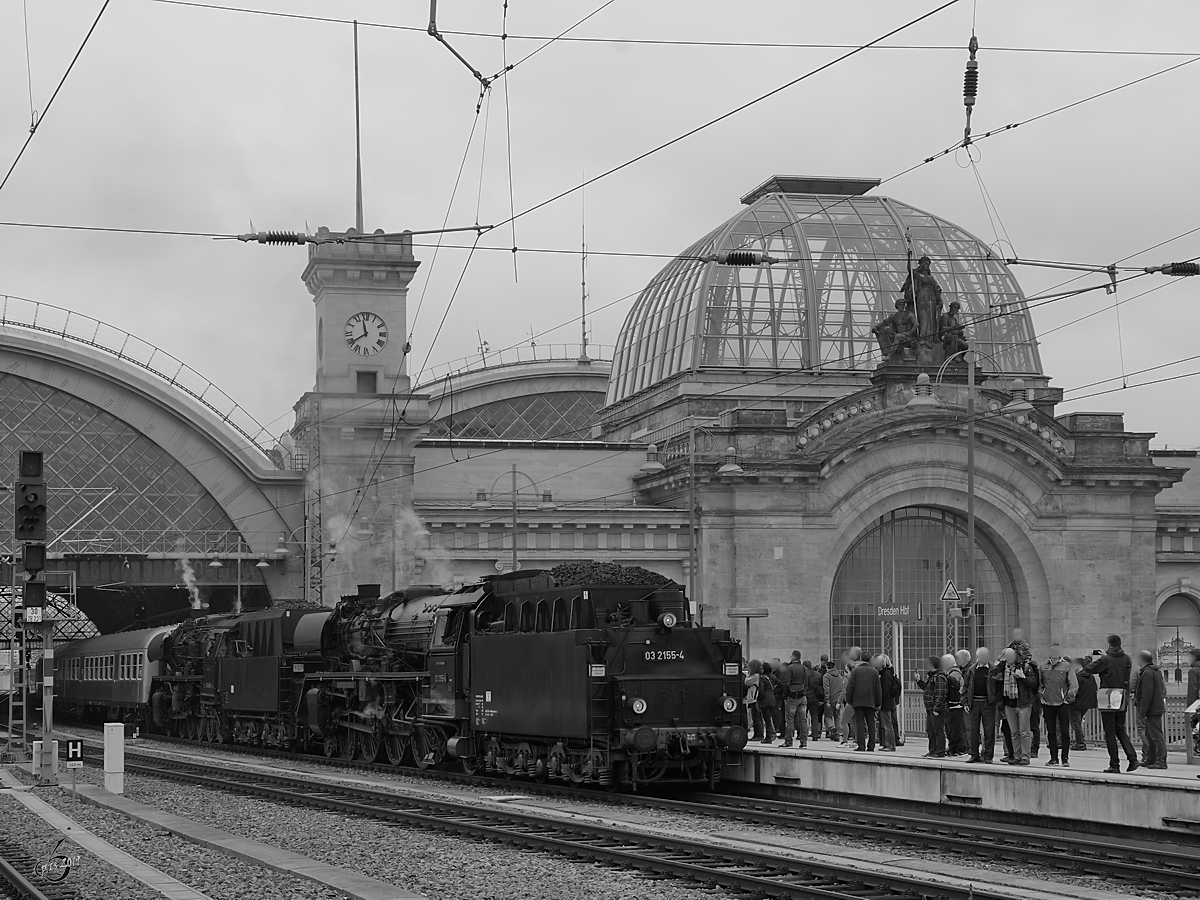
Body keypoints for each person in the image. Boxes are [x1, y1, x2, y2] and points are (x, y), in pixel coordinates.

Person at [1082, 634, 1139, 774]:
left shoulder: (1106, 659)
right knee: (1120, 729)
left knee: (1110, 732)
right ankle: (1132, 758)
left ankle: (1114, 764)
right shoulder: (1127, 658)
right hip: (1122, 696)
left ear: (1109, 645)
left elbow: (1088, 669)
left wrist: (1089, 657)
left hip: (1108, 697)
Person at [994, 647, 1035, 766]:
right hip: (1008, 703)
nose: (1010, 658)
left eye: (1012, 656)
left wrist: (1023, 677)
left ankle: (1025, 756)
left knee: (1024, 732)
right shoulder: (1002, 668)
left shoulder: (1024, 667)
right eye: (1007, 656)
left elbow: (1033, 683)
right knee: (1014, 732)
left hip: (1023, 703)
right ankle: (1017, 755)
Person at [1040, 643, 1078, 767]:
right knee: (1051, 731)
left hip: (1062, 703)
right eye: (1052, 650)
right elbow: (1040, 684)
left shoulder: (1066, 666)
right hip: (1048, 703)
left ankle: (1065, 758)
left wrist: (1068, 699)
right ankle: (1053, 758)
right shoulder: (1043, 666)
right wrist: (1042, 697)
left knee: (1064, 731)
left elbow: (1073, 684)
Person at [1134, 650, 1167, 769]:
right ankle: (1151, 759)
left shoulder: (1147, 673)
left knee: (1156, 736)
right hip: (1155, 707)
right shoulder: (1155, 671)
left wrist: (1143, 710)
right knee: (1150, 735)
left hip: (1152, 708)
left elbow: (1147, 693)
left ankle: (1161, 761)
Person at [964, 646, 997, 763]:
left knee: (989, 730)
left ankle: (988, 756)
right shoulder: (971, 670)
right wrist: (965, 702)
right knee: (974, 730)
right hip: (974, 703)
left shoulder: (993, 669)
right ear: (977, 657)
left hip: (988, 703)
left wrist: (995, 700)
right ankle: (974, 754)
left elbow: (998, 687)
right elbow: (965, 687)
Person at [845, 649, 882, 752]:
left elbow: (850, 687)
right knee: (871, 723)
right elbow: (878, 689)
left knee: (860, 723)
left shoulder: (855, 671)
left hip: (858, 701)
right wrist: (878, 703)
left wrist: (849, 700)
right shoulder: (874, 672)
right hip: (871, 701)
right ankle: (871, 745)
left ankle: (861, 745)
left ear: (861, 658)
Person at [917, 655, 948, 757]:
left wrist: (937, 709)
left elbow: (941, 693)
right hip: (930, 708)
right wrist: (919, 681)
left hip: (936, 709)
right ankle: (932, 750)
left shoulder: (940, 677)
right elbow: (927, 688)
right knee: (931, 730)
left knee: (938, 730)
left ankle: (940, 751)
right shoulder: (932, 677)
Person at [781, 651, 809, 749]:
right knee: (803, 720)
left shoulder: (790, 668)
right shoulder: (804, 668)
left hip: (792, 697)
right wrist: (804, 691)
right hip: (802, 696)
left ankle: (788, 741)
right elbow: (807, 682)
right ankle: (803, 741)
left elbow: (786, 683)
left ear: (793, 657)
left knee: (790, 720)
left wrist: (785, 695)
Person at [1069, 657, 1097, 751]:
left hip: (1076, 704)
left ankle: (1080, 742)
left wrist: (1070, 700)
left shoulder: (1077, 677)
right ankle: (1081, 739)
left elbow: (1074, 690)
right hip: (1086, 704)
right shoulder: (1090, 676)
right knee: (1078, 723)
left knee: (1076, 724)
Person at [875, 654, 901, 751]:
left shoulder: (886, 674)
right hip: (889, 701)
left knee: (887, 725)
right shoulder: (888, 673)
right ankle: (887, 744)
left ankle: (890, 745)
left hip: (886, 702)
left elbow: (885, 690)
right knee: (886, 724)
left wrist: (880, 702)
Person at [945, 652, 968, 756]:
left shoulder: (954, 673)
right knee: (951, 729)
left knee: (957, 729)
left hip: (955, 705)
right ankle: (953, 748)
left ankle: (961, 748)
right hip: (953, 704)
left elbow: (953, 688)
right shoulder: (951, 672)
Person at [744, 660, 768, 742]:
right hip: (755, 698)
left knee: (756, 718)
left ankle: (758, 734)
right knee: (757, 717)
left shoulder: (755, 676)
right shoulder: (759, 676)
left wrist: (747, 675)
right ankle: (758, 734)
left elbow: (746, 682)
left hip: (754, 699)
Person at [822, 660, 846, 741]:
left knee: (828, 716)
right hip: (838, 699)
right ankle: (838, 734)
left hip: (831, 699)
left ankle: (831, 728)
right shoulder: (839, 676)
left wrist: (827, 700)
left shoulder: (826, 676)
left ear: (827, 667)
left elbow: (826, 689)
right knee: (837, 717)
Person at [757, 659, 778, 744]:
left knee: (767, 719)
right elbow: (781, 684)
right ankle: (771, 735)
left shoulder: (762, 678)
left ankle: (768, 737)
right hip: (772, 699)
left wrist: (759, 699)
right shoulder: (772, 677)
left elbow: (761, 690)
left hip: (765, 700)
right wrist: (775, 692)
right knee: (769, 717)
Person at [804, 660, 825, 740]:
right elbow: (821, 687)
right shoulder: (818, 675)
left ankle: (803, 733)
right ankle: (815, 735)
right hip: (815, 697)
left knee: (803, 717)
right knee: (815, 716)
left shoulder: (803, 675)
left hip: (805, 696)